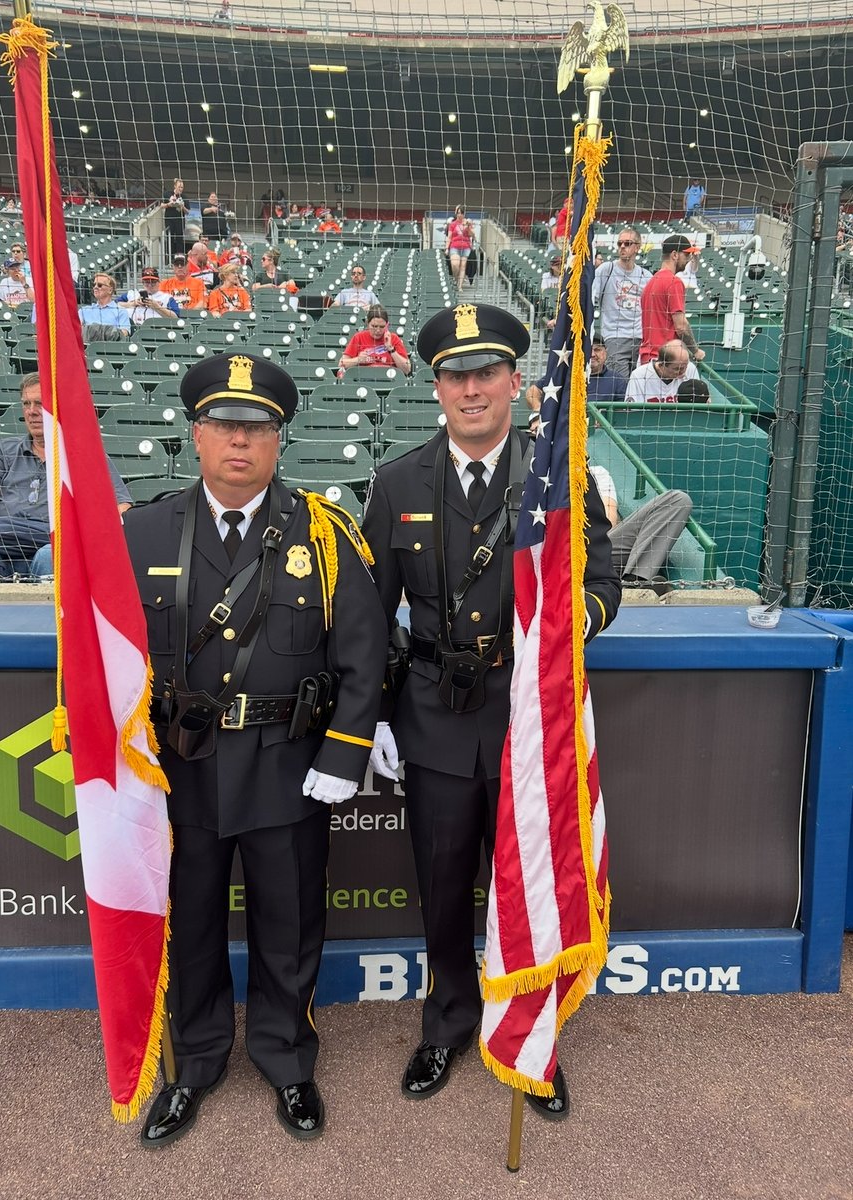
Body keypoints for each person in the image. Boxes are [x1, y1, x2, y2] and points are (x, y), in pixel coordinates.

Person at [362, 303, 620, 1119]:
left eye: (486, 373)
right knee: (442, 886)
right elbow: (371, 615)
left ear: (515, 381)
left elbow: (602, 585)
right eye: (455, 376)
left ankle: (531, 1038)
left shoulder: (558, 477)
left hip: (530, 722)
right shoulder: (397, 482)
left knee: (531, 884)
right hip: (434, 716)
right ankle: (447, 1023)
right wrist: (376, 716)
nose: (471, 389)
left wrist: (565, 628)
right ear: (436, 387)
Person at [123, 352, 386, 1148]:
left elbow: (364, 655)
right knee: (190, 927)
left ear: (279, 439)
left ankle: (287, 1060)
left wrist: (343, 755)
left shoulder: (325, 533)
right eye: (224, 425)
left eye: (258, 428)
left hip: (287, 767)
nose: (240, 441)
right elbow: (107, 657)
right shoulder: (140, 532)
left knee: (289, 924)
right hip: (181, 770)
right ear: (195, 435)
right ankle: (194, 1064)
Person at [0, 373, 131, 580]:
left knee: (50, 557)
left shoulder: (87, 456)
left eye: (40, 404)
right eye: (26, 404)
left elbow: (120, 507)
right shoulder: (2, 450)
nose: (31, 411)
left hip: (54, 542)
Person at [590, 464, 693, 590]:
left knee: (678, 500)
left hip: (596, 548)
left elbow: (608, 521)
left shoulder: (596, 473)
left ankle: (635, 582)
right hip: (568, 555)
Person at [592, 227, 652, 379]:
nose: (622, 247)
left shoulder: (646, 275)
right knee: (620, 382)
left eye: (627, 243)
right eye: (620, 244)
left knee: (639, 383)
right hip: (615, 336)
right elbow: (590, 296)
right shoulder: (607, 269)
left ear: (637, 247)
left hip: (640, 337)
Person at [639, 236, 705, 365]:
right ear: (675, 255)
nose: (688, 259)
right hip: (665, 360)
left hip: (647, 358)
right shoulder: (673, 282)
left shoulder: (650, 283)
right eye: (686, 254)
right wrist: (696, 351)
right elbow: (681, 326)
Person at [527, 335, 626, 415]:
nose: (592, 354)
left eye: (597, 350)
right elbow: (532, 391)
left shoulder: (617, 380)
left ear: (605, 353)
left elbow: (622, 412)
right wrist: (537, 411)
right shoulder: (565, 375)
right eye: (588, 349)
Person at [339, 304, 410, 375]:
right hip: (364, 378)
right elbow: (341, 364)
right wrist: (358, 359)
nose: (378, 330)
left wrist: (391, 349)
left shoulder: (394, 338)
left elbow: (407, 370)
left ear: (387, 325)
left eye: (382, 327)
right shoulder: (358, 337)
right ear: (368, 323)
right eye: (374, 326)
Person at [626, 339, 700, 404]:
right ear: (662, 365)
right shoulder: (639, 375)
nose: (683, 372)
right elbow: (632, 411)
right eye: (677, 369)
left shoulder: (690, 369)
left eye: (685, 367)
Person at [116, 267, 180, 325]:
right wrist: (131, 304)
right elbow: (114, 305)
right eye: (147, 282)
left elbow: (175, 318)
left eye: (153, 282)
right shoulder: (132, 293)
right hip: (130, 328)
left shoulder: (166, 298)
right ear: (142, 282)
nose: (150, 285)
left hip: (155, 330)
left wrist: (157, 307)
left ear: (158, 282)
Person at [445, 205, 475, 293]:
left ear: (464, 214)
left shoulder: (468, 223)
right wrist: (447, 248)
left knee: (463, 267)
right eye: (458, 213)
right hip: (454, 246)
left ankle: (460, 286)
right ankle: (456, 278)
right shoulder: (452, 224)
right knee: (455, 265)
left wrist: (468, 226)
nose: (460, 215)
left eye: (461, 213)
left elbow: (472, 235)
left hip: (465, 246)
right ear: (456, 213)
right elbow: (449, 237)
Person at [164, 179, 187, 257]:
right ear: (175, 186)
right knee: (169, 239)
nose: (181, 189)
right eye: (179, 187)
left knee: (179, 239)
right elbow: (161, 205)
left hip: (180, 221)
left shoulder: (184, 197)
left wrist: (182, 207)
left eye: (182, 187)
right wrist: (169, 204)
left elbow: (188, 212)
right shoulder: (167, 194)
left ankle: (180, 257)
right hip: (169, 220)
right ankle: (169, 257)